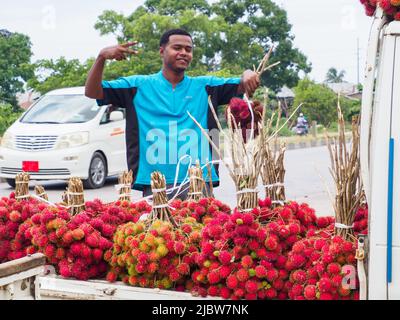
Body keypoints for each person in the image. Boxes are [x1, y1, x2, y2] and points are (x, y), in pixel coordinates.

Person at [85, 29, 260, 199]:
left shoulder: (206, 87)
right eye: (177, 48)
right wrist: (101, 57)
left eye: (188, 49)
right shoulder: (136, 86)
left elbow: (243, 84)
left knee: (202, 227)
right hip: (156, 182)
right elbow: (93, 92)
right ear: (162, 51)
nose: (184, 53)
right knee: (159, 228)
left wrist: (248, 73)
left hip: (199, 180)